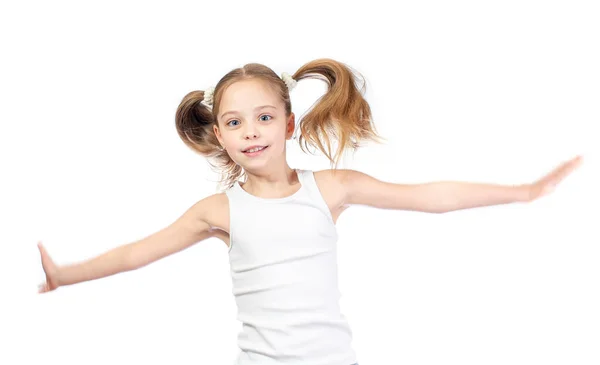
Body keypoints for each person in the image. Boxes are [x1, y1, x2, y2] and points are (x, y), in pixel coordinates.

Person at [36, 58, 583, 365]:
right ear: (220, 136)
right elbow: (136, 253)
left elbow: (429, 197)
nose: (250, 130)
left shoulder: (332, 187)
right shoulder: (218, 210)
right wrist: (65, 275)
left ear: (289, 123)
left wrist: (524, 192)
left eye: (264, 117)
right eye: (234, 122)